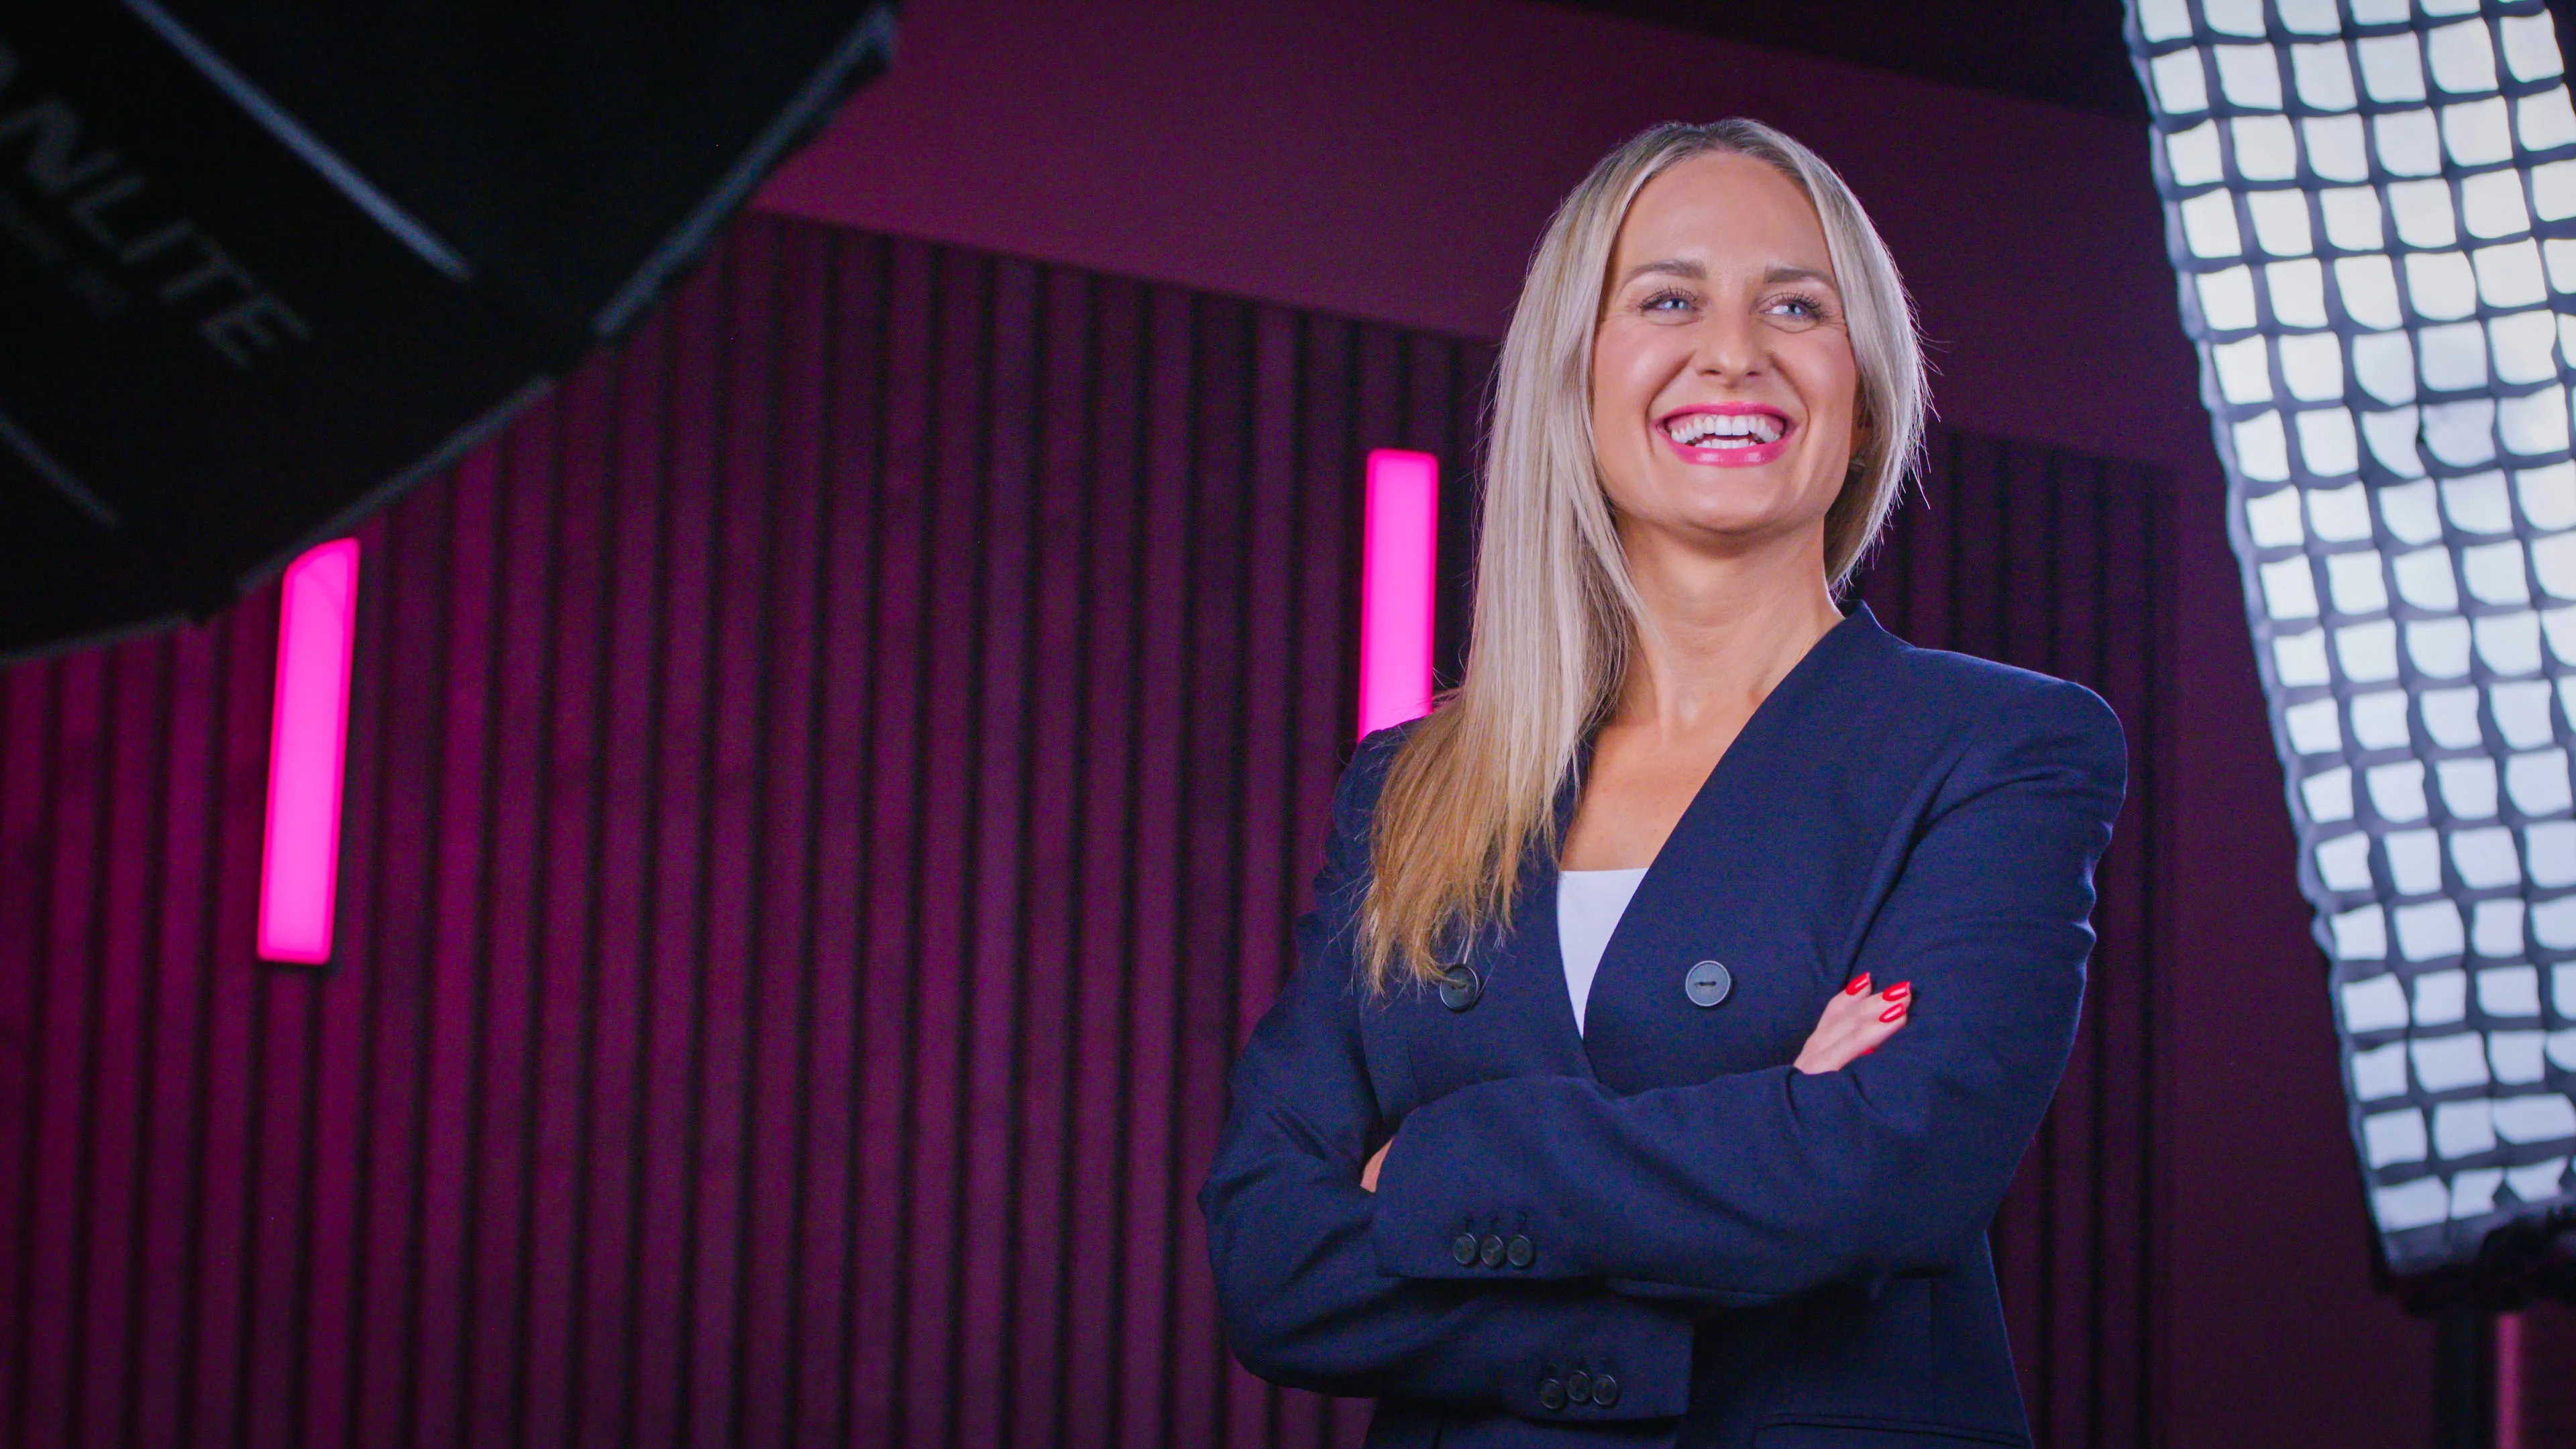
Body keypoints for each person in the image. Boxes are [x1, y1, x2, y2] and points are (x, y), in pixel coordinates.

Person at [1197, 118, 2127, 1448]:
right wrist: (1759, 1148)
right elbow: (1272, 1265)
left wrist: (1437, 1166)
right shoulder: (1411, 786)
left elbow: (1878, 1181)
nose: (1734, 350)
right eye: (1670, 298)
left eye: (1796, 305)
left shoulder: (2001, 747)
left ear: (1863, 391)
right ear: (1578, 377)